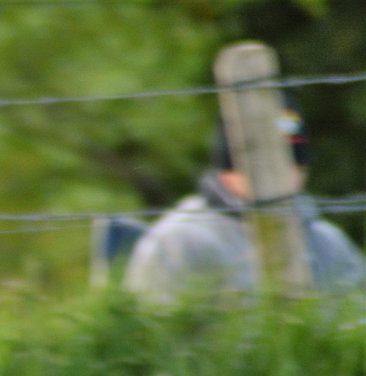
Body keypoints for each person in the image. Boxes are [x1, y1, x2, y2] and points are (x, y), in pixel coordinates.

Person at [125, 104, 365, 299]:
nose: (280, 174)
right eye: (263, 164)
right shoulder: (177, 242)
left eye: (294, 162)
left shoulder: (328, 241)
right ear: (227, 167)